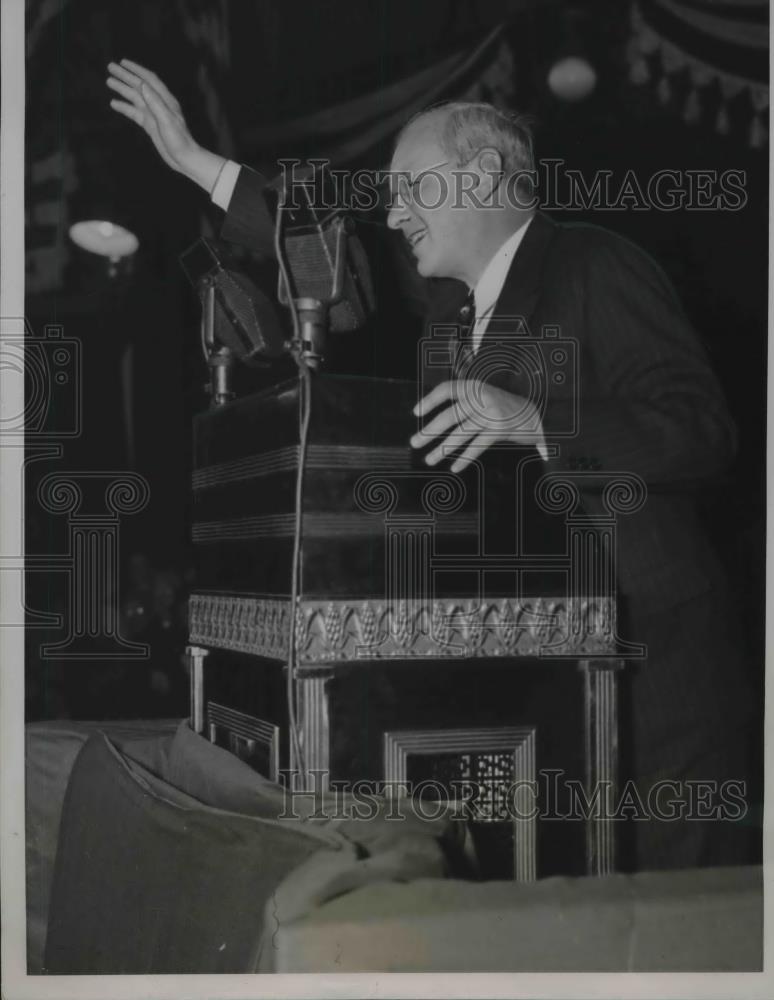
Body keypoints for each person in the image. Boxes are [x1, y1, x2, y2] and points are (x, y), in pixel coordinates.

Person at [107, 59, 755, 871]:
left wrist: (537, 421)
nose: (393, 208)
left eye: (411, 184)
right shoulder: (448, 321)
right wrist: (199, 164)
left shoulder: (594, 263)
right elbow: (342, 252)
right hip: (537, 690)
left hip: (655, 684)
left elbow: (703, 431)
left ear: (484, 175)